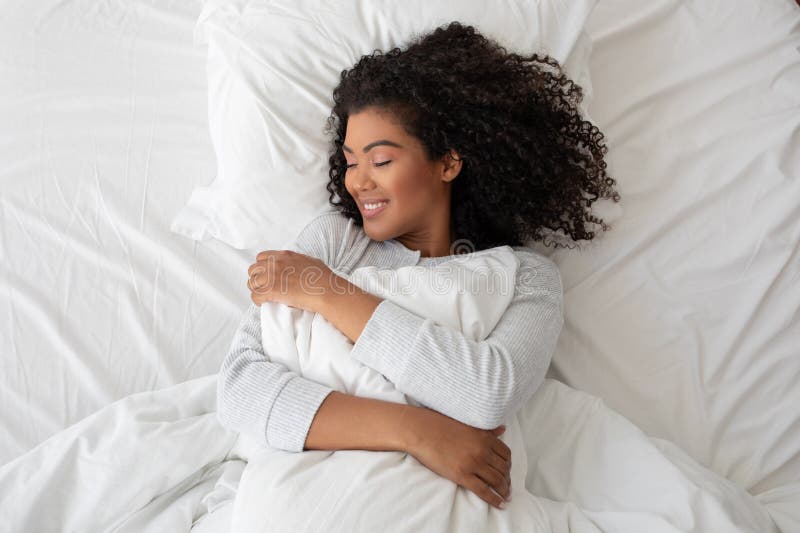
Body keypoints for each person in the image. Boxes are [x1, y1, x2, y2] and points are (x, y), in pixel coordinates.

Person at [217, 21, 620, 512]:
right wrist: (419, 431)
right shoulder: (336, 240)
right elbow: (239, 389)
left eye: (380, 160)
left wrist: (327, 293)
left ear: (447, 163)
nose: (358, 183)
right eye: (350, 161)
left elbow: (488, 393)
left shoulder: (526, 277)